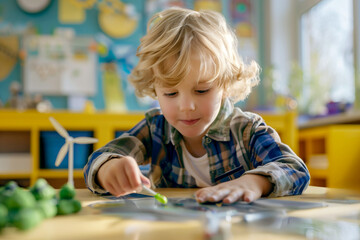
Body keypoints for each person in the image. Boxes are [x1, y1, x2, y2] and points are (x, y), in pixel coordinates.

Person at [84, 7, 310, 204]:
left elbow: (294, 169)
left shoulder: (246, 130)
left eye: (202, 90)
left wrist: (255, 182)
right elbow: (100, 158)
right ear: (155, 90)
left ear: (225, 84)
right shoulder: (155, 127)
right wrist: (108, 168)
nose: (186, 106)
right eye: (171, 93)